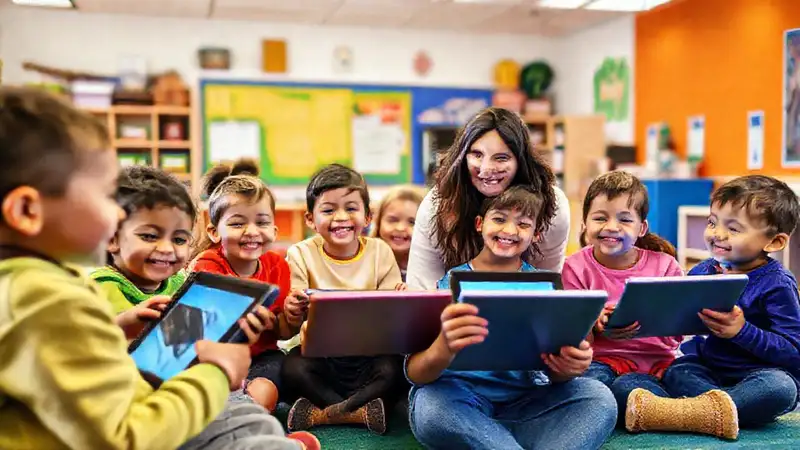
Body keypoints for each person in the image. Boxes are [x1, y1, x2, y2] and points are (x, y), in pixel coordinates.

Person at [0, 86, 317, 450]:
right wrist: (214, 373)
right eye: (104, 194)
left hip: (134, 401)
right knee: (238, 418)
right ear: (27, 211)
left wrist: (119, 326)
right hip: (136, 429)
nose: (118, 212)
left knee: (240, 414)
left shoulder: (35, 283)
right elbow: (131, 437)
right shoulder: (47, 301)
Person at [406, 186, 617, 450]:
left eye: (523, 224)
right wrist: (443, 348)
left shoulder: (547, 289)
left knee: (598, 397)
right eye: (499, 219)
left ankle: (496, 442)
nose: (509, 231)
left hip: (527, 402)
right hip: (459, 400)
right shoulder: (447, 285)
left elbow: (556, 374)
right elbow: (415, 374)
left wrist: (568, 367)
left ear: (536, 234)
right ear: (480, 224)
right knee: (431, 409)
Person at [627, 175, 800, 440]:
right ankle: (713, 413)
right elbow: (679, 327)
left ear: (774, 242)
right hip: (707, 370)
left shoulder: (777, 283)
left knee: (781, 389)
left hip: (759, 375)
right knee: (675, 372)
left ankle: (681, 413)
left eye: (734, 229)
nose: (717, 234)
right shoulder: (702, 271)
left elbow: (793, 353)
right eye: (712, 222)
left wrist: (741, 331)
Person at [280, 163, 406, 435]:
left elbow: (390, 317)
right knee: (290, 368)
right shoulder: (300, 253)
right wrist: (292, 309)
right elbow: (294, 318)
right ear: (310, 219)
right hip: (320, 356)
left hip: (368, 356)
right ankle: (357, 412)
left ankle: (324, 414)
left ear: (368, 216)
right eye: (328, 210)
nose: (341, 217)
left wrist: (400, 302)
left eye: (351, 208)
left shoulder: (380, 251)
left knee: (395, 370)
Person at [560, 170, 683, 426]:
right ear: (584, 224)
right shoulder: (574, 267)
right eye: (600, 218)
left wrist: (644, 322)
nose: (611, 227)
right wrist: (596, 322)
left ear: (642, 228)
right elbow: (575, 337)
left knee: (686, 376)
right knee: (586, 387)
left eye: (625, 220)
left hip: (659, 363)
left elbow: (677, 333)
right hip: (603, 362)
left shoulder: (666, 266)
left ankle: (659, 407)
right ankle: (663, 408)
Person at [406, 107, 570, 290]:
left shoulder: (552, 205)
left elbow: (546, 286)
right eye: (477, 155)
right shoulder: (437, 204)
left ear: (520, 161)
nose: (486, 168)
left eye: (501, 158)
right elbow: (422, 290)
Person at [189, 160, 304, 392]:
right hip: (216, 357)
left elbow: (282, 333)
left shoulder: (278, 265)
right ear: (213, 232)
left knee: (269, 387)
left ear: (274, 230)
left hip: (262, 358)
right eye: (237, 223)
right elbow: (208, 327)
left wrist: (292, 317)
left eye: (261, 222)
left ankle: (248, 409)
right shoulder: (206, 266)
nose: (251, 232)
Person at [371, 185, 426, 281]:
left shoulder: (433, 269)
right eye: (393, 220)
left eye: (412, 222)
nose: (400, 228)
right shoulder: (367, 263)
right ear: (379, 223)